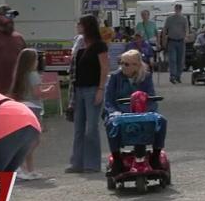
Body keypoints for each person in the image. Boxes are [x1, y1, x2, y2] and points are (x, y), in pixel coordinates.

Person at [104, 50, 167, 175]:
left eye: (127, 64)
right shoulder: (115, 77)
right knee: (112, 123)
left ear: (137, 65)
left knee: (161, 120)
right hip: (121, 113)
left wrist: (148, 111)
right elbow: (108, 100)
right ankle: (117, 160)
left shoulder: (146, 77)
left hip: (142, 111)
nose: (123, 66)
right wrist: (114, 112)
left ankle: (155, 155)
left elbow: (151, 97)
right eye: (122, 63)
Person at [67, 15, 109, 173]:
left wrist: (101, 89)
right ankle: (77, 162)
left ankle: (92, 163)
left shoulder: (99, 46)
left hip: (92, 89)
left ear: (87, 26)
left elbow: (104, 69)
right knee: (78, 127)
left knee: (91, 128)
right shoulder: (79, 45)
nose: (78, 26)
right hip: (78, 89)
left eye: (80, 24)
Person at [8, 48, 44, 181]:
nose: (37, 62)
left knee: (27, 140)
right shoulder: (33, 75)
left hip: (22, 106)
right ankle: (18, 165)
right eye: (36, 60)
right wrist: (48, 91)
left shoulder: (19, 74)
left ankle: (30, 169)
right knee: (34, 140)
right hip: (33, 107)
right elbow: (37, 93)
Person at [163, 4, 189, 84]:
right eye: (176, 8)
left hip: (181, 41)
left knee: (180, 60)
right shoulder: (169, 18)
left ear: (181, 10)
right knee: (172, 59)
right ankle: (172, 76)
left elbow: (186, 29)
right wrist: (164, 39)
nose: (177, 10)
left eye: (179, 9)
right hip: (172, 41)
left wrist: (186, 36)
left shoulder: (184, 19)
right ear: (174, 9)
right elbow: (165, 29)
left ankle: (178, 76)